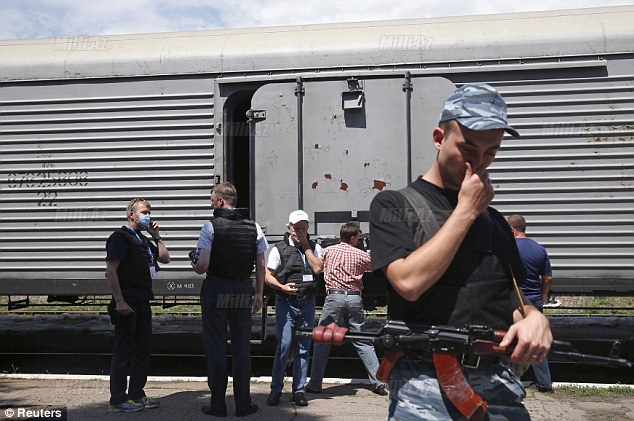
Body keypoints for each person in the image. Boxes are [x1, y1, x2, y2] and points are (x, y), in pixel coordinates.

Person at [369, 83, 552, 420]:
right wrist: (466, 211)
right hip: (422, 382)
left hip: (499, 382)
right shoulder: (394, 205)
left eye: (490, 153)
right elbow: (408, 282)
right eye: (468, 149)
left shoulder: (494, 222)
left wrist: (534, 318)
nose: (479, 163)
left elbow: (511, 302)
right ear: (439, 138)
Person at [192, 182, 268, 417]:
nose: (211, 203)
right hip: (242, 290)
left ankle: (217, 405)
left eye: (212, 199)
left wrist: (193, 262)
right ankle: (243, 405)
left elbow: (203, 265)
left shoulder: (210, 227)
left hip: (217, 290)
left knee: (216, 347)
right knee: (241, 348)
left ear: (221, 202)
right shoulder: (254, 227)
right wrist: (258, 294)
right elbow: (261, 264)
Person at [305, 221, 386, 396]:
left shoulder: (328, 251)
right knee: (362, 340)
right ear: (353, 237)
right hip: (355, 298)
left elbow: (317, 267)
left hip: (334, 297)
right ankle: (378, 381)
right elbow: (377, 266)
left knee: (323, 340)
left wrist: (307, 247)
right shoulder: (360, 254)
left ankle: (315, 384)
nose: (359, 240)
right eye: (358, 237)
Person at [105, 197, 170, 412]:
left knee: (143, 348)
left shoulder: (142, 239)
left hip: (143, 300)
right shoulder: (120, 237)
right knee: (124, 350)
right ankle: (117, 399)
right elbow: (111, 271)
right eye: (144, 211)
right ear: (131, 215)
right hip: (127, 302)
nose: (148, 215)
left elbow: (165, 258)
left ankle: (136, 394)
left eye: (149, 211)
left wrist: (157, 237)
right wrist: (120, 301)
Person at [265, 210, 323, 407]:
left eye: (304, 228)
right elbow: (268, 276)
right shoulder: (278, 249)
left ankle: (299, 391)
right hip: (286, 303)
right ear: (289, 228)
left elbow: (317, 269)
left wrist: (306, 246)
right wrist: (282, 288)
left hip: (307, 302)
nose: (300, 232)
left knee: (303, 348)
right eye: (297, 228)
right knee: (283, 346)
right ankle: (275, 389)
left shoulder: (314, 247)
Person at [507, 214, 554, 393]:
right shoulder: (539, 249)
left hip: (514, 303)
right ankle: (545, 383)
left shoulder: (508, 248)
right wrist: (543, 295)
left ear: (511, 229)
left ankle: (511, 381)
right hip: (534, 302)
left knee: (511, 340)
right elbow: (548, 277)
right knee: (536, 340)